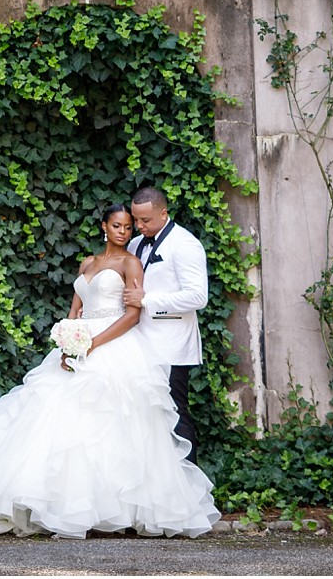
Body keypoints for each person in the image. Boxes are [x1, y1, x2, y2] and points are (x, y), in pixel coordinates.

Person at [0, 205, 219, 539]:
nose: (125, 232)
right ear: (104, 226)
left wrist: (92, 344)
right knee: (56, 419)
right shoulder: (88, 264)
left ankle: (120, 510)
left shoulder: (131, 261)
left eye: (128, 227)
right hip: (80, 343)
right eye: (118, 226)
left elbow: (133, 315)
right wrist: (69, 342)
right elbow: (75, 309)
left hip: (115, 345)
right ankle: (58, 503)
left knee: (115, 424)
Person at [121, 185, 208, 462]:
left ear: (163, 212)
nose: (139, 226)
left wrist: (148, 299)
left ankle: (190, 486)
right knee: (145, 415)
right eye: (136, 220)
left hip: (172, 345)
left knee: (174, 412)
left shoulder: (185, 244)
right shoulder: (135, 245)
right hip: (139, 344)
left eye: (145, 220)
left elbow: (198, 296)